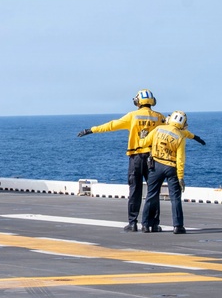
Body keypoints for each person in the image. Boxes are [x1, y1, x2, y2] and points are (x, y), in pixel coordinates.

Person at [76, 89, 204, 232]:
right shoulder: (159, 117)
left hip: (136, 158)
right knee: (153, 192)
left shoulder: (132, 116)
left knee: (135, 190)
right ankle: (152, 223)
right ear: (152, 102)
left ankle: (132, 222)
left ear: (138, 101)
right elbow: (176, 130)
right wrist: (194, 137)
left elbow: (111, 125)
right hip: (153, 158)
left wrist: (91, 130)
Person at [138, 110, 191, 234]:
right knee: (175, 198)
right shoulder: (180, 136)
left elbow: (143, 143)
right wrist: (181, 177)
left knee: (151, 195)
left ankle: (145, 225)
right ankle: (178, 226)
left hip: (156, 166)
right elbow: (180, 159)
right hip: (171, 168)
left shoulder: (158, 129)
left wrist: (142, 137)